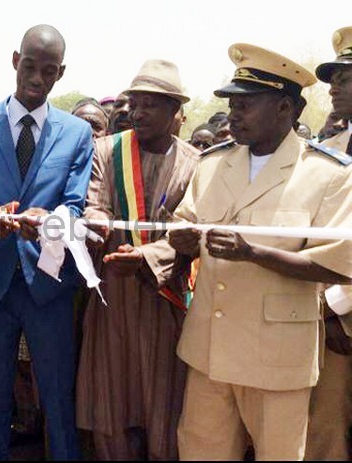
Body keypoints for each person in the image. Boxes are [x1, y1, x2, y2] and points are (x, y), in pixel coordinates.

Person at [166, 43, 352, 460]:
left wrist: (254, 254)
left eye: (247, 104)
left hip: (277, 356)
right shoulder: (214, 163)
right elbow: (187, 223)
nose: (234, 113)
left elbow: (338, 265)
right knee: (201, 451)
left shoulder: (327, 174)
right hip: (209, 348)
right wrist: (182, 242)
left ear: (285, 107)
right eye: (232, 103)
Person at [0, 24, 94, 460]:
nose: (36, 78)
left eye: (48, 71)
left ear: (61, 73)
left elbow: (75, 205)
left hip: (49, 284)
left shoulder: (76, 133)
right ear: (15, 61)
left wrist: (51, 220)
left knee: (56, 396)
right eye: (30, 66)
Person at [76, 59, 200, 460]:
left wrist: (146, 256)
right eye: (135, 103)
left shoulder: (196, 164)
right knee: (112, 404)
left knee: (164, 405)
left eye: (151, 105)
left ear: (175, 111)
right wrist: (99, 228)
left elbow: (192, 227)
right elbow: (95, 205)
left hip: (164, 296)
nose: (138, 112)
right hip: (113, 291)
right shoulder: (107, 152)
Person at [304, 26, 352, 460]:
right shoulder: (324, 153)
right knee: (325, 429)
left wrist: (340, 304)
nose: (334, 86)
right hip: (329, 317)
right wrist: (333, 308)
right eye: (334, 76)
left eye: (346, 76)